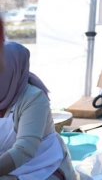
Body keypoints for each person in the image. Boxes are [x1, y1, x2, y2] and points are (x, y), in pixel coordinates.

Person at [0, 42, 77, 179]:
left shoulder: (34, 98)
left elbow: (24, 149)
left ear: (14, 70)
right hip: (7, 168)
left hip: (42, 169)